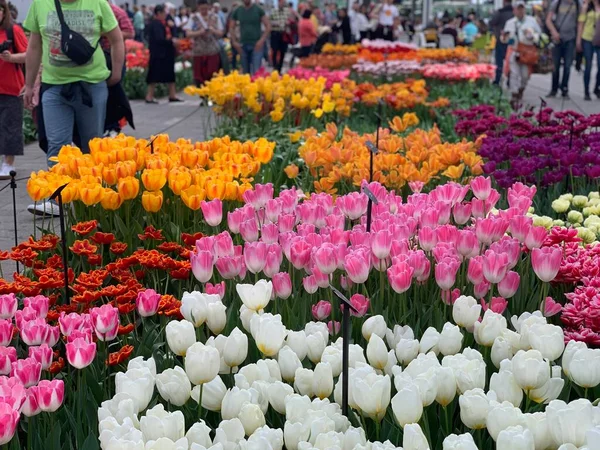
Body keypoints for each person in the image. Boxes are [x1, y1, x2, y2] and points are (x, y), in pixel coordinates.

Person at [23, 0, 124, 215]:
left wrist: (116, 72)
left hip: (91, 85)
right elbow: (34, 46)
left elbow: (116, 38)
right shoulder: (41, 4)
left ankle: (90, 198)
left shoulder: (97, 3)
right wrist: (30, 85)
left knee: (91, 145)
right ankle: (57, 200)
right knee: (57, 145)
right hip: (54, 87)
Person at [0, 0, 27, 179]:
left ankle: (8, 163)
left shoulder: (13, 30)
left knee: (10, 128)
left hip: (11, 88)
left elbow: (29, 54)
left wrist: (11, 57)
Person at [504, 1, 541, 108]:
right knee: (514, 74)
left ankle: (521, 89)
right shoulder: (510, 23)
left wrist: (531, 36)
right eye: (518, 9)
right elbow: (505, 39)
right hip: (515, 50)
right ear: (514, 10)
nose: (520, 11)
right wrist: (506, 38)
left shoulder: (532, 21)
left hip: (527, 52)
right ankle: (514, 94)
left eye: (522, 8)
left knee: (525, 75)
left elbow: (539, 35)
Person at [145, 4, 180, 103]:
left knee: (170, 74)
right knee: (154, 75)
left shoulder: (165, 23)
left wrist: (173, 27)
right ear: (159, 13)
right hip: (158, 53)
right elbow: (159, 39)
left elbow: (174, 32)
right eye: (164, 12)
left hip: (167, 53)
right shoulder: (155, 24)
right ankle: (149, 96)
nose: (166, 14)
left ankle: (172, 95)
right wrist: (171, 41)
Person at [546, 0, 580, 97]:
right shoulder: (557, 3)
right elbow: (548, 20)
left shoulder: (577, 4)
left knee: (567, 66)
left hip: (570, 38)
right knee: (555, 66)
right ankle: (554, 89)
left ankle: (564, 88)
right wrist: (554, 32)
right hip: (558, 38)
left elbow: (579, 21)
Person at [185, 0, 223, 87]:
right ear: (198, 8)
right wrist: (199, 32)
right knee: (199, 76)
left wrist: (213, 30)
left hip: (212, 50)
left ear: (209, 7)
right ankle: (202, 94)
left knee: (212, 74)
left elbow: (221, 33)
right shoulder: (193, 18)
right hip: (199, 51)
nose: (204, 11)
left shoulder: (215, 17)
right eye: (202, 9)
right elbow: (188, 33)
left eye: (206, 9)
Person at [229, 0, 270, 75]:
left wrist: (261, 41)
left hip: (256, 45)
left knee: (256, 72)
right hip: (243, 45)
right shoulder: (237, 10)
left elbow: (268, 26)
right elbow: (231, 27)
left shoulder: (258, 9)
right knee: (245, 73)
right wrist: (234, 42)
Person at [576, 0, 600, 99]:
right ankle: (586, 91)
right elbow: (581, 24)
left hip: (598, 39)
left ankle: (596, 87)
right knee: (588, 66)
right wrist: (578, 40)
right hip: (587, 38)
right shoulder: (586, 7)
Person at [489, 0, 514, 85]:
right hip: (512, 41)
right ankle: (510, 80)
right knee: (510, 61)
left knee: (499, 61)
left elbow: (492, 22)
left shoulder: (499, 12)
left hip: (501, 39)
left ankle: (498, 79)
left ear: (504, 2)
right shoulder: (514, 12)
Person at [269, 0, 295, 73]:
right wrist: (277, 23)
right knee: (274, 50)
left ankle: (279, 68)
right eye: (280, 2)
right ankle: (275, 67)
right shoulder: (274, 11)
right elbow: (269, 22)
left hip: (283, 34)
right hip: (275, 33)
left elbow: (292, 20)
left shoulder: (287, 12)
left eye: (282, 2)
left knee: (283, 51)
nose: (281, 3)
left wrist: (289, 23)